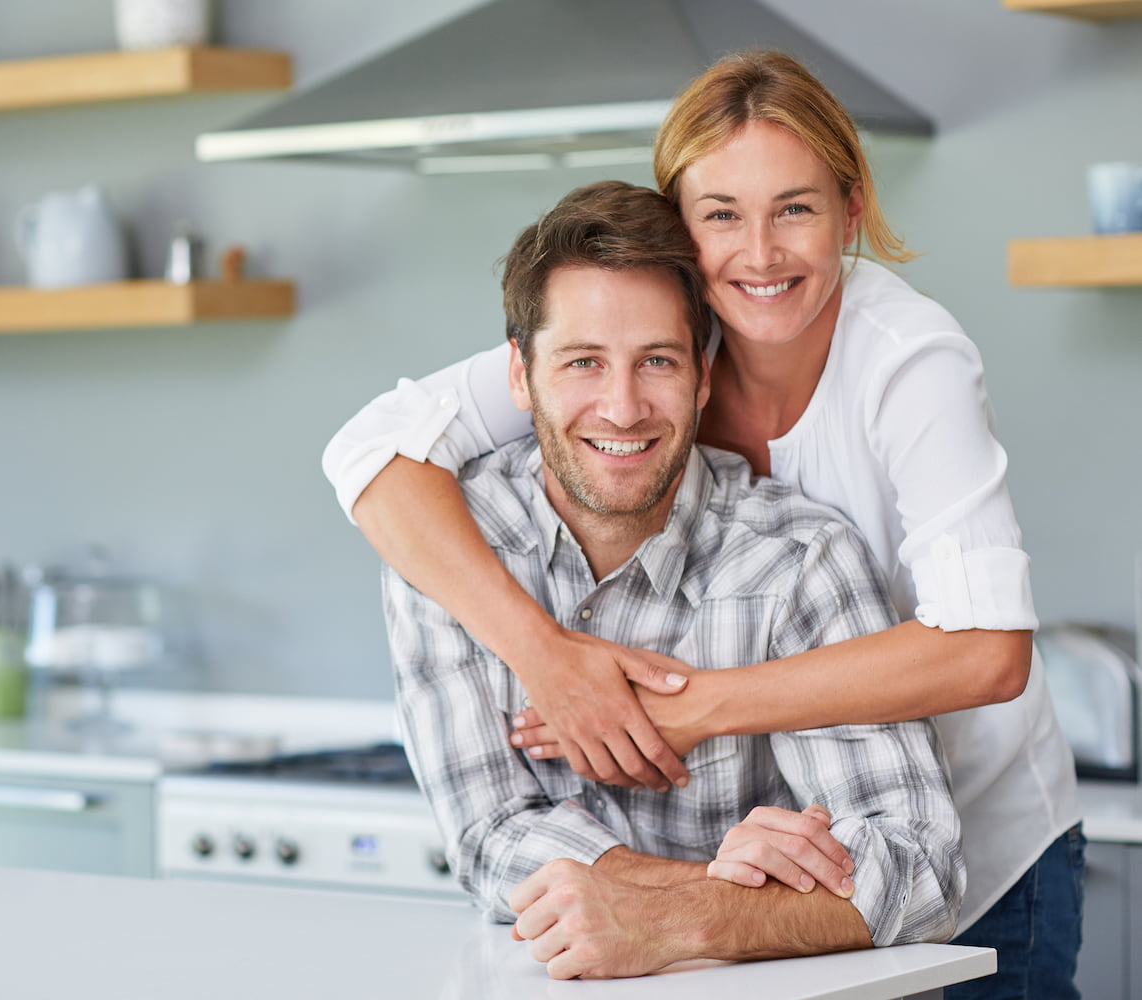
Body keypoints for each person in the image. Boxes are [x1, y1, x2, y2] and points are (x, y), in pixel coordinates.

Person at [326, 50, 1081, 998]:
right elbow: (374, 452)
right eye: (722, 213)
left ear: (850, 213)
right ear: (682, 226)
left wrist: (693, 712)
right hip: (796, 881)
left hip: (982, 817)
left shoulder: (903, 370)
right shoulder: (645, 318)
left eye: (795, 208)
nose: (758, 254)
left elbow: (987, 656)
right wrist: (548, 656)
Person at [386, 178, 963, 981]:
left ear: (702, 377)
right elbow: (493, 838)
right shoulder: (450, 546)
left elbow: (920, 870)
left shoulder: (799, 558)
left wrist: (673, 917)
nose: (621, 408)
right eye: (583, 362)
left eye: (656, 361)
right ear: (520, 377)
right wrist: (731, 896)